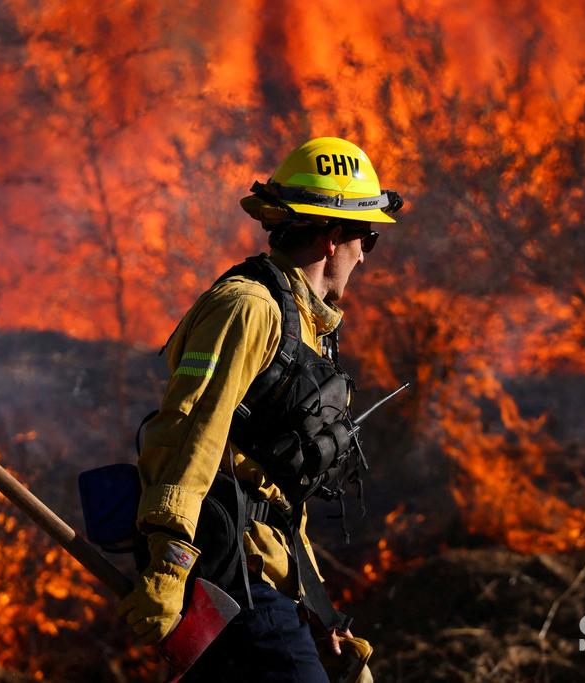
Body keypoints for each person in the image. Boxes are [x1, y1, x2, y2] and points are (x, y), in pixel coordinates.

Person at [118, 137, 402, 682]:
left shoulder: (305, 327)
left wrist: (321, 616)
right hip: (224, 575)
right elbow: (187, 436)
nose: (366, 254)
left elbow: (273, 500)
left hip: (264, 573)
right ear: (333, 235)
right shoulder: (248, 308)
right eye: (367, 237)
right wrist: (171, 563)